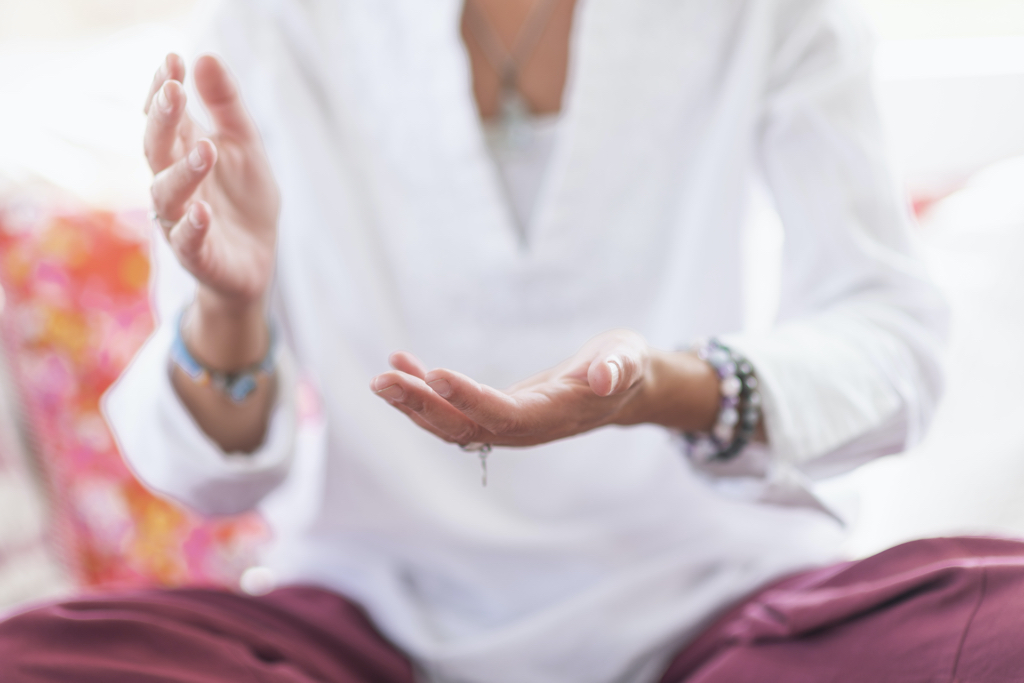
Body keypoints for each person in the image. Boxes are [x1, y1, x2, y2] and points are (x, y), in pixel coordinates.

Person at [3, 0, 1024, 681]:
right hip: (367, 630)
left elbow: (891, 344)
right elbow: (206, 475)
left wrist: (666, 386)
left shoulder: (764, 14)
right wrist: (228, 310)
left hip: (722, 612)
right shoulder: (276, 21)